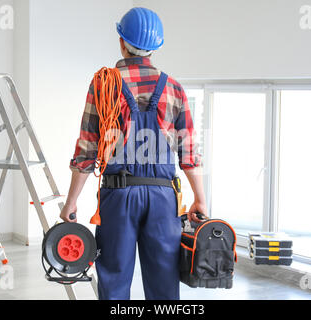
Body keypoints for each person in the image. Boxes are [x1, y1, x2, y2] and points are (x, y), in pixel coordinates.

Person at [60, 7, 206, 300]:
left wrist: (71, 202)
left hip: (118, 196)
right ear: (156, 48)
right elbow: (188, 151)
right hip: (164, 199)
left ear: (121, 41)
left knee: (113, 278)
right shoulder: (174, 88)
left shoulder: (104, 85)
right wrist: (200, 198)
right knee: (165, 281)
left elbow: (87, 149)